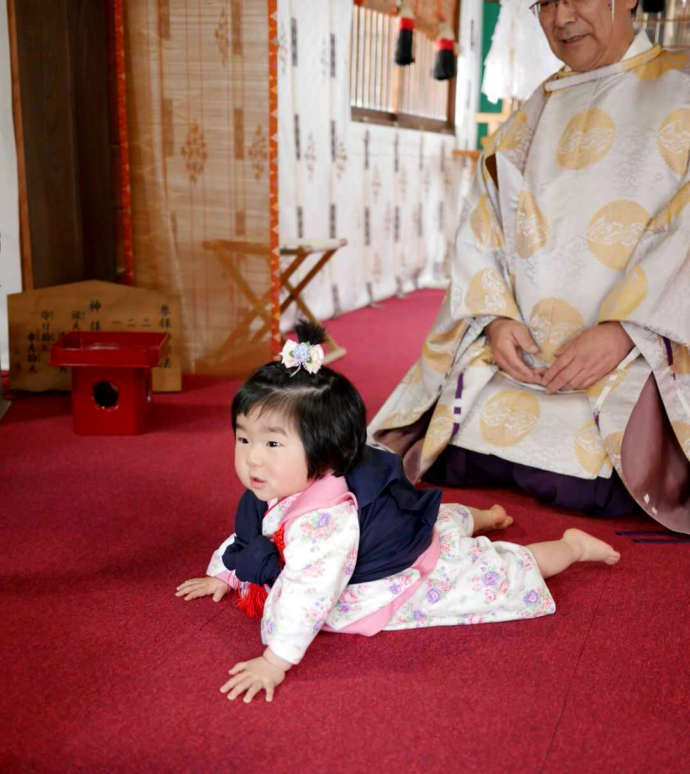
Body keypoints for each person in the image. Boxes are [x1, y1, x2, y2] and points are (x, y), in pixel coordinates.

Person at [369, 0, 690, 533]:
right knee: (462, 435)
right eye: (545, 3)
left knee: (596, 462)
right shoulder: (534, 110)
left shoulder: (681, 89)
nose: (561, 18)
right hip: (525, 350)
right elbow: (483, 223)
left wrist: (625, 333)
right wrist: (495, 321)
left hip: (635, 349)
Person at [176, 321, 620, 704]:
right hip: (389, 526)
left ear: (326, 454)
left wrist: (275, 661)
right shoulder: (279, 480)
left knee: (493, 574)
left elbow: (308, 593)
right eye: (244, 439)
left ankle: (567, 547)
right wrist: (226, 573)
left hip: (394, 571)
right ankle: (481, 516)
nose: (253, 458)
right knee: (440, 523)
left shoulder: (323, 523)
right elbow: (251, 531)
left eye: (272, 443)